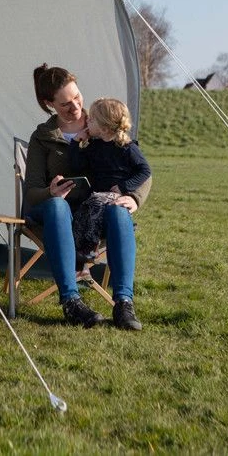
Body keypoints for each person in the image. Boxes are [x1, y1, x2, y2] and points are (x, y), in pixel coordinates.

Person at [24, 65, 150, 330]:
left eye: (77, 97)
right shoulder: (42, 137)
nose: (75, 107)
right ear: (49, 104)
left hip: (95, 214)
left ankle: (124, 303)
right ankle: (71, 301)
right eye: (65, 104)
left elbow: (139, 167)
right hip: (54, 215)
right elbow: (32, 192)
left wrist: (134, 197)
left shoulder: (104, 121)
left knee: (118, 210)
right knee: (57, 206)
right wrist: (50, 191)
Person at [68, 98, 151, 284]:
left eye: (92, 119)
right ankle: (80, 265)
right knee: (82, 212)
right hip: (95, 197)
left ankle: (89, 249)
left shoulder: (127, 148)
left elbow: (145, 171)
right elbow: (76, 166)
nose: (87, 121)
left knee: (96, 202)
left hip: (114, 198)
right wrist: (76, 142)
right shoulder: (94, 146)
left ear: (104, 127)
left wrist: (124, 187)